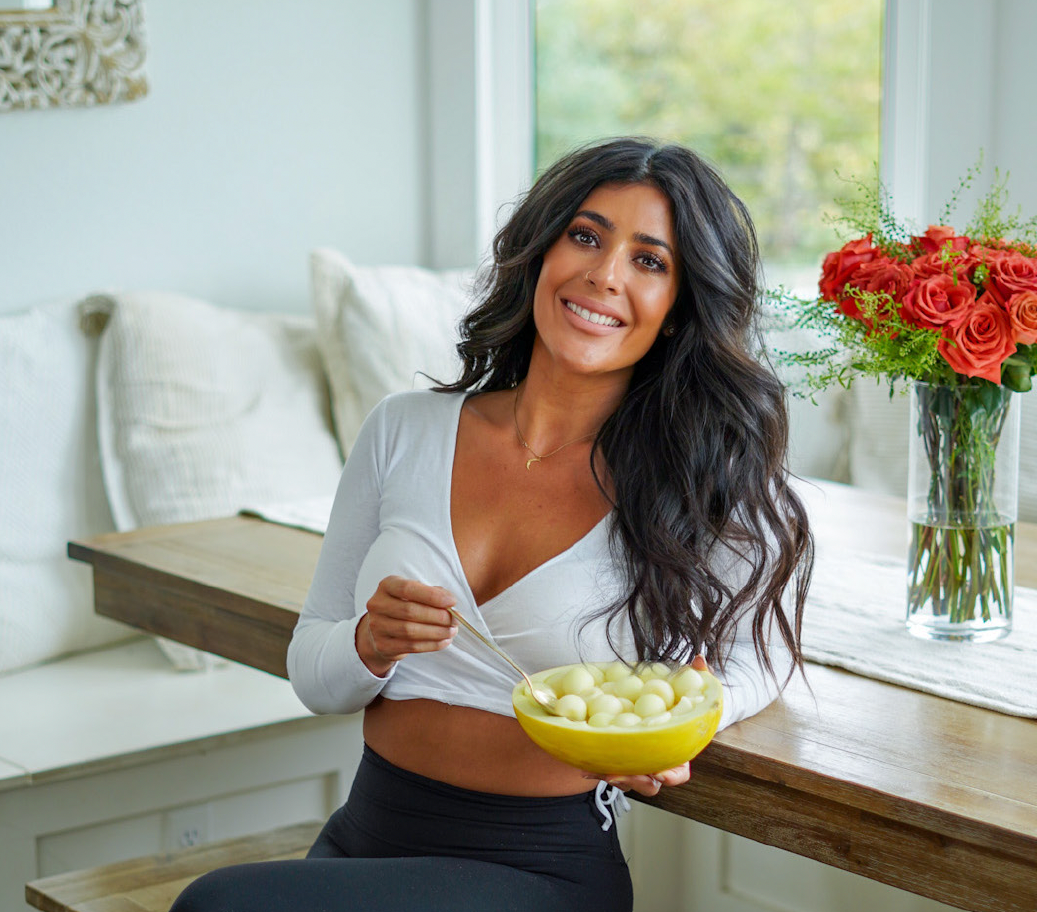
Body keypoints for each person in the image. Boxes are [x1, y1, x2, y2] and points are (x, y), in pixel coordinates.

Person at [171, 136, 813, 912]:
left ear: (679, 309)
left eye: (650, 261)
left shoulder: (696, 479)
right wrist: (369, 643)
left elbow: (761, 656)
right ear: (540, 254)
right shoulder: (403, 430)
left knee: (218, 907)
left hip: (538, 868)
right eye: (585, 236)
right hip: (363, 838)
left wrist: (691, 717)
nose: (604, 275)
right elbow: (314, 670)